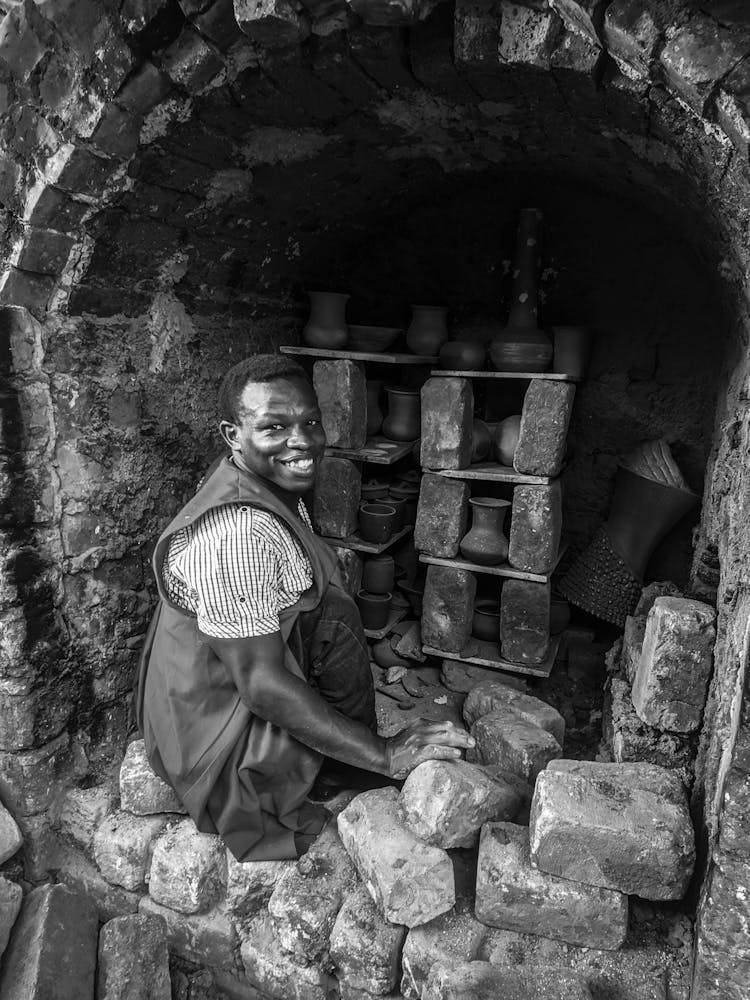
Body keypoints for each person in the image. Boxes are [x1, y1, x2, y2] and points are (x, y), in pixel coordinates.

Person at [135, 354, 473, 861]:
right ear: (233, 434)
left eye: (310, 421)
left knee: (330, 606)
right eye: (275, 427)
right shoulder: (238, 532)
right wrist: (382, 753)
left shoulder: (262, 484)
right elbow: (262, 685)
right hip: (218, 743)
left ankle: (339, 757)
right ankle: (331, 772)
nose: (303, 441)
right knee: (332, 616)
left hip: (220, 692)